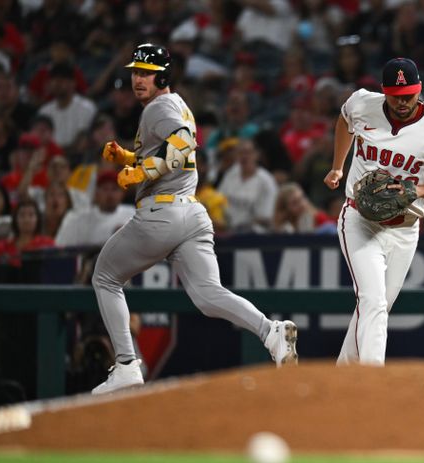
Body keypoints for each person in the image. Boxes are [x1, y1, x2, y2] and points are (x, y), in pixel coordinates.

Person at [91, 44, 298, 394]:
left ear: (164, 76)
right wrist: (127, 156)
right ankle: (270, 332)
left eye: (147, 73)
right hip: (191, 212)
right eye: (136, 72)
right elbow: (172, 151)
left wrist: (140, 171)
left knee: (105, 278)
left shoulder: (158, 107)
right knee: (207, 294)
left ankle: (126, 363)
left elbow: (185, 143)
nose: (138, 79)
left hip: (162, 214)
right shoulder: (176, 104)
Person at [323, 57, 424, 366]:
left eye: (409, 95)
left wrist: (420, 190)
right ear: (384, 91)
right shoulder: (362, 103)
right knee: (372, 302)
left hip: (405, 228)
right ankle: (372, 381)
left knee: (377, 308)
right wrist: (338, 166)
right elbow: (344, 120)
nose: (402, 102)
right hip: (359, 220)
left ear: (420, 89)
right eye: (395, 95)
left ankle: (341, 376)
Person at [55, 170, 134, 247]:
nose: (110, 194)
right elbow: (62, 247)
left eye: (114, 189)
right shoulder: (79, 218)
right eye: (105, 189)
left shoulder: (133, 214)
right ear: (96, 193)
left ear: (122, 194)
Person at [0, 199, 55, 267]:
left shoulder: (48, 244)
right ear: (15, 219)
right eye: (22, 215)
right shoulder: (2, 247)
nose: (26, 219)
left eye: (31, 215)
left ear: (38, 219)